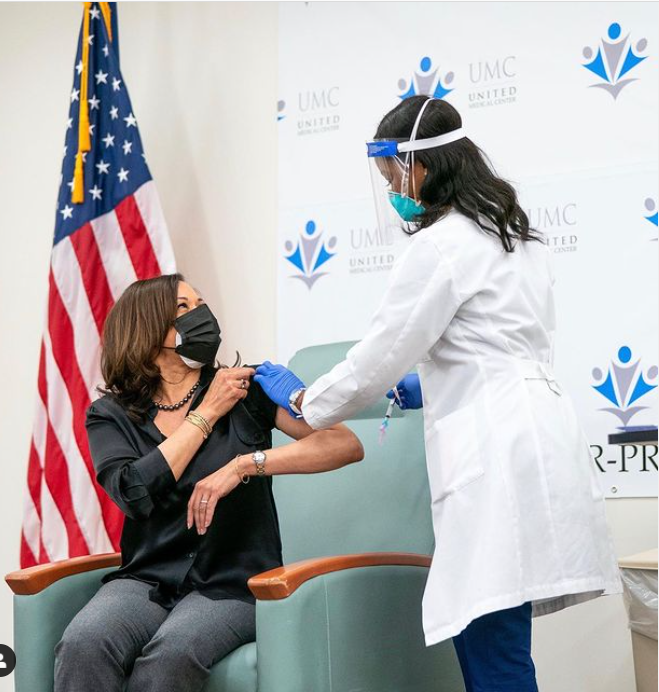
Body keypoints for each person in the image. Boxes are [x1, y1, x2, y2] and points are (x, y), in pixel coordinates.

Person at [254, 95, 623, 692]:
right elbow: (504, 345)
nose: (395, 190)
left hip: (495, 448)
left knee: (490, 640)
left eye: (393, 175)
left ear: (422, 165)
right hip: (534, 430)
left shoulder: (441, 246)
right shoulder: (515, 235)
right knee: (501, 634)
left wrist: (305, 402)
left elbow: (377, 356)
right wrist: (435, 382)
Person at [53, 273, 364, 692]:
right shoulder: (111, 415)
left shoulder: (244, 389)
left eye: (200, 302)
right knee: (82, 644)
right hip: (146, 579)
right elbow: (133, 492)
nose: (201, 314)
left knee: (170, 657)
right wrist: (206, 414)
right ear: (148, 326)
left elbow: (343, 444)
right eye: (184, 307)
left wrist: (244, 465)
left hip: (232, 583)